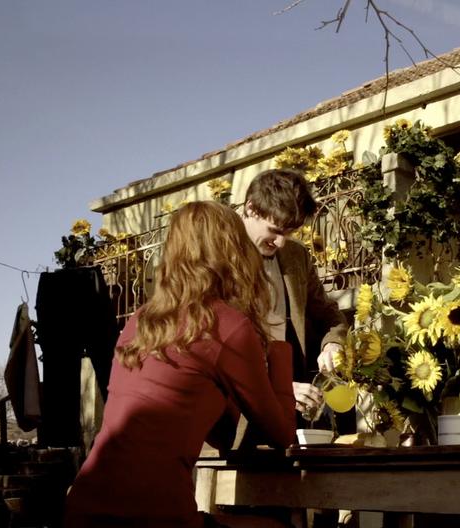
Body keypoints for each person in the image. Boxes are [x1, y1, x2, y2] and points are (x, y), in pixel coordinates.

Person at [63, 201, 296, 528]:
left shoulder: (140, 320)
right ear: (233, 252)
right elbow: (283, 433)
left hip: (83, 508)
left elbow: (211, 427)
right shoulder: (228, 326)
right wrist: (278, 345)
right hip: (153, 515)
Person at [240, 168, 349, 420]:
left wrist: (333, 343)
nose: (280, 242)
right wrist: (275, 389)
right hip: (234, 417)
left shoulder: (297, 256)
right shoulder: (216, 254)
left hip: (289, 413)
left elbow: (329, 315)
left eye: (288, 233)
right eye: (275, 230)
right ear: (250, 208)